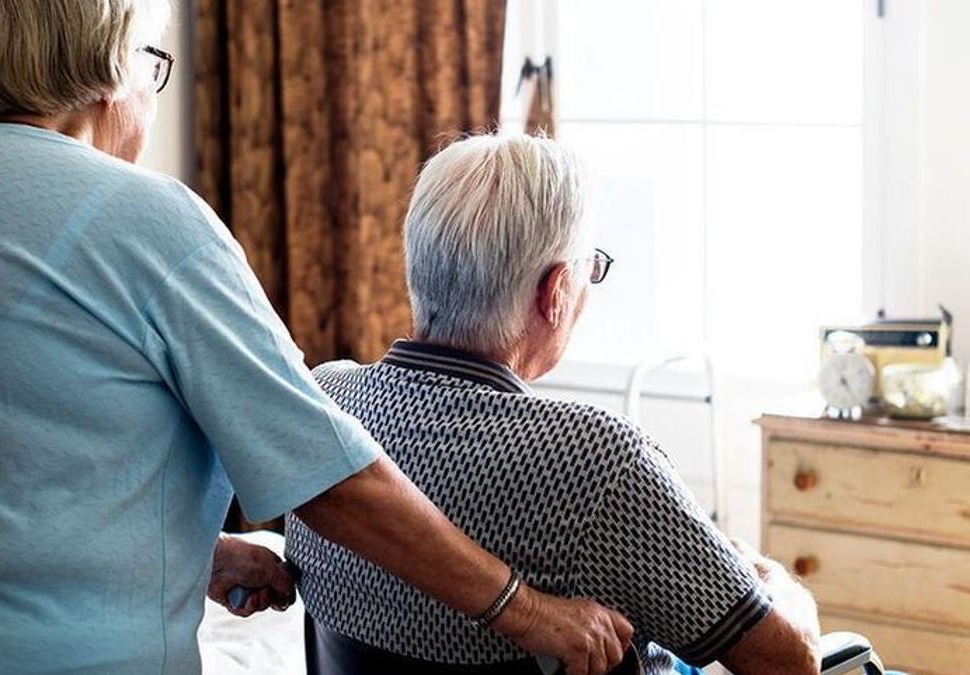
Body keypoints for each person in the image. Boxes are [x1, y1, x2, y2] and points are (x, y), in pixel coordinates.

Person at [0, 3, 634, 675]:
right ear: (110, 68)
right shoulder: (143, 216)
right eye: (155, 65)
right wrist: (532, 612)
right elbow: (335, 478)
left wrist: (190, 547)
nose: (153, 103)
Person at [286, 134, 823, 674]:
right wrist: (764, 574)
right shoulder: (596, 461)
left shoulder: (324, 405)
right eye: (590, 271)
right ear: (556, 291)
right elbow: (790, 662)